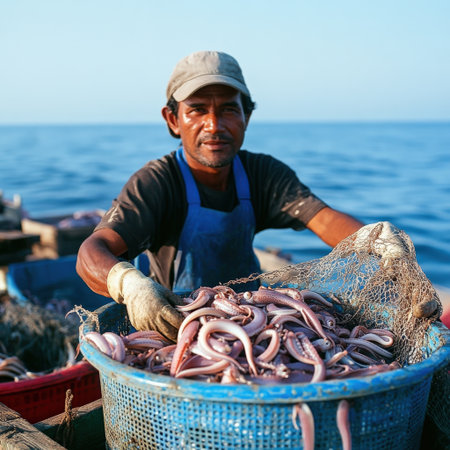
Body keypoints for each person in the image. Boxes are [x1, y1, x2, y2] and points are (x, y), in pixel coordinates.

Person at [76, 50, 435, 342]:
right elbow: (91, 253)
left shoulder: (263, 175)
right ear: (173, 120)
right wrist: (130, 285)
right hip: (177, 332)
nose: (214, 126)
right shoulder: (156, 183)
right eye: (197, 110)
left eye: (229, 109)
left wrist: (375, 240)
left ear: (246, 116)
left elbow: (322, 217)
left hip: (255, 321)